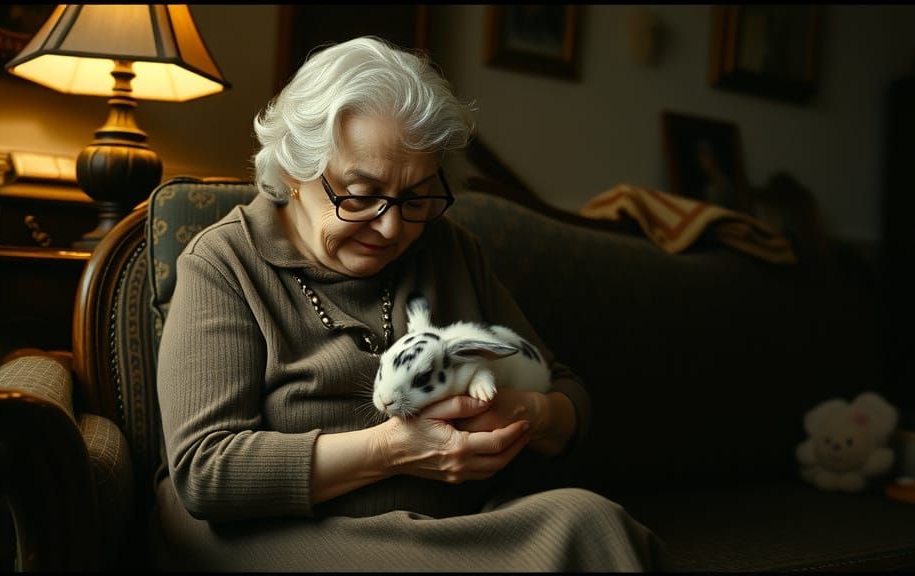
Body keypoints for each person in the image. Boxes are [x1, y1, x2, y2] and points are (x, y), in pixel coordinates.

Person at [154, 36, 665, 571]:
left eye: (416, 196)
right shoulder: (224, 262)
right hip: (283, 532)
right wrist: (396, 449)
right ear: (293, 170)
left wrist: (525, 413)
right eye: (361, 195)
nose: (392, 227)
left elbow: (568, 397)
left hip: (454, 527)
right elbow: (205, 471)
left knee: (596, 524)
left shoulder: (449, 250)